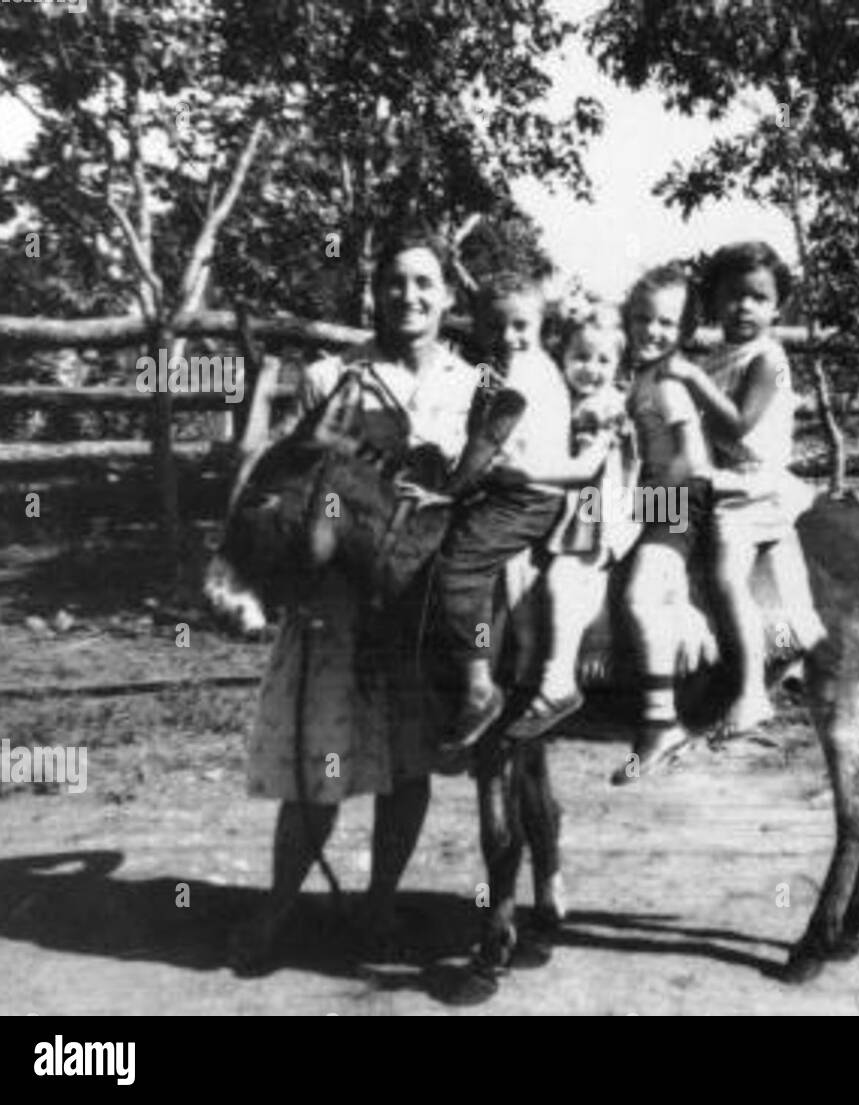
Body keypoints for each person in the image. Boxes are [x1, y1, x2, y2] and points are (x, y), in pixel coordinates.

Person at [228, 227, 484, 973]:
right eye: (394, 282)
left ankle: (379, 906)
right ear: (373, 293)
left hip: (417, 610)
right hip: (335, 608)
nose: (409, 296)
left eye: (424, 283)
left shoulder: (471, 388)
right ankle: (274, 912)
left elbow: (480, 498)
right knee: (321, 767)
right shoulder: (330, 378)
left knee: (407, 766)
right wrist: (305, 575)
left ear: (447, 297)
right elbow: (287, 488)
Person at [437, 274, 615, 749]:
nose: (508, 338)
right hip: (510, 489)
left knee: (458, 566)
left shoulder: (523, 374)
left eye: (521, 326)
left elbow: (487, 442)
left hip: (529, 496)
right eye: (495, 328)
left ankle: (478, 683)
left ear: (541, 325)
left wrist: (449, 491)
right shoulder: (514, 366)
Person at [659, 241, 827, 737]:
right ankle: (795, 648)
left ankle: (751, 691)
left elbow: (737, 424)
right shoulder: (718, 357)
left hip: (751, 483)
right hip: (734, 480)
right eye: (732, 296)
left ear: (779, 307)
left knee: (726, 575)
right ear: (714, 302)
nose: (744, 308)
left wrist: (688, 376)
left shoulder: (768, 357)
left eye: (758, 297)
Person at [506, 308, 639, 740]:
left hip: (598, 510)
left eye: (604, 361)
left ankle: (558, 677)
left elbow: (586, 469)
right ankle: (520, 659)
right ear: (562, 356)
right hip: (573, 509)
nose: (591, 369)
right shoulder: (561, 399)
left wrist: (524, 472)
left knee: (564, 578)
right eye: (581, 357)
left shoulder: (602, 408)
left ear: (618, 367)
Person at [613, 264, 716, 785]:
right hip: (641, 492)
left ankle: (660, 720)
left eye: (666, 324)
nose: (652, 331)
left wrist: (640, 506)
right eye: (642, 319)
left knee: (640, 593)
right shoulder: (630, 374)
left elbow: (692, 460)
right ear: (627, 320)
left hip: (675, 495)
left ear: (683, 331)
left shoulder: (670, 385)